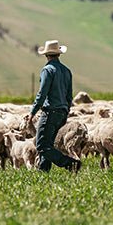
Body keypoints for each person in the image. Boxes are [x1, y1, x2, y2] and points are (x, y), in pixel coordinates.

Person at [25, 40, 81, 173]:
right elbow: (69, 96)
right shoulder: (66, 71)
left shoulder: (47, 70)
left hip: (50, 112)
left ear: (46, 55)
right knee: (49, 144)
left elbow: (42, 93)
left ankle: (71, 164)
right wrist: (66, 111)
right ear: (58, 54)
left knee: (42, 145)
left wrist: (32, 112)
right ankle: (43, 171)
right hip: (61, 112)